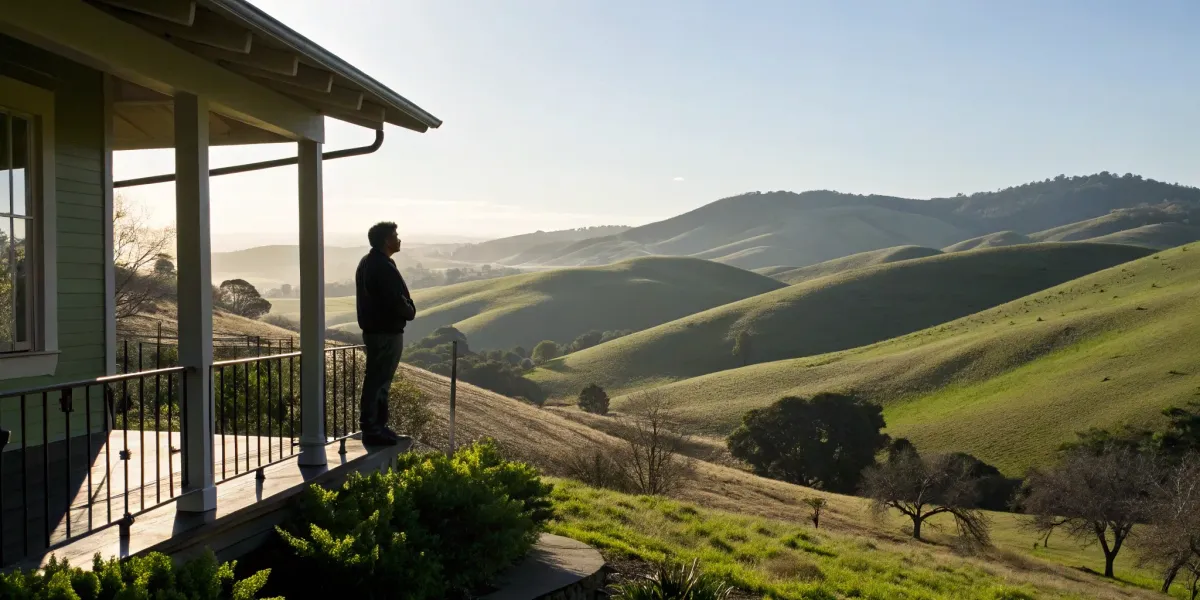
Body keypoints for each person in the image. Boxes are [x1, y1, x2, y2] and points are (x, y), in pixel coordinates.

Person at [355, 221, 416, 445]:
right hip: (385, 332)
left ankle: (377, 427)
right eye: (395, 235)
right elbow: (395, 299)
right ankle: (373, 429)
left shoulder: (370, 262)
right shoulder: (381, 266)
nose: (399, 239)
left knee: (378, 380)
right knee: (379, 381)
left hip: (377, 330)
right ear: (386, 240)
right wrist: (409, 311)